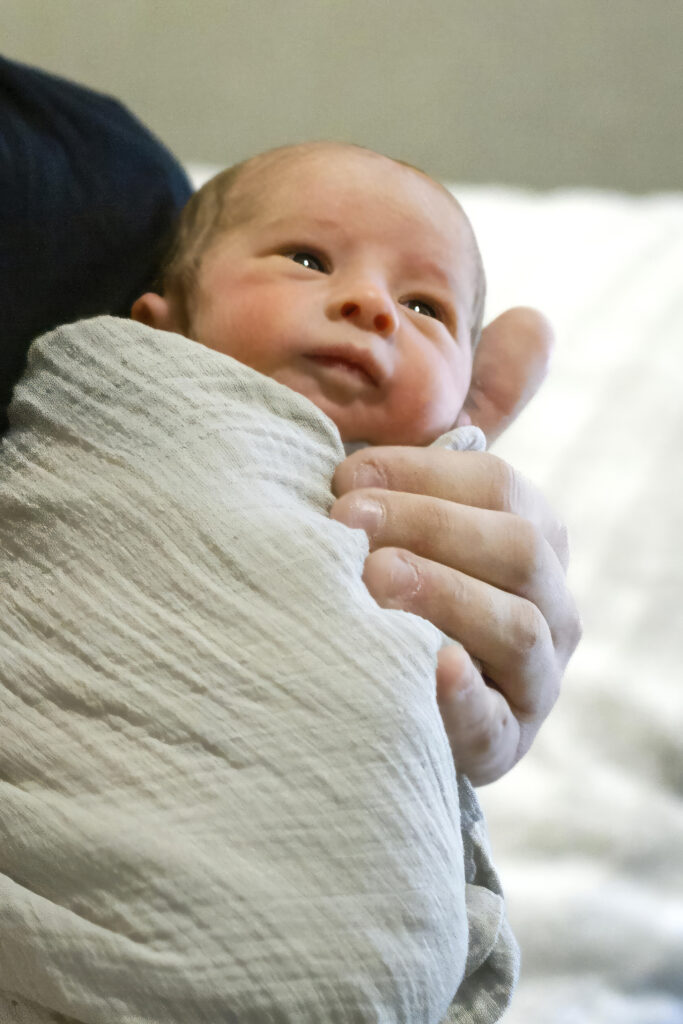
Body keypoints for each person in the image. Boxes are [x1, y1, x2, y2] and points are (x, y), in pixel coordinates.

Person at [0, 56, 579, 787]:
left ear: (463, 395)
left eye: (424, 307)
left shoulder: (100, 179)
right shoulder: (113, 383)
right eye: (307, 259)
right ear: (154, 327)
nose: (371, 303)